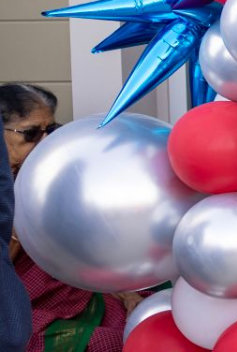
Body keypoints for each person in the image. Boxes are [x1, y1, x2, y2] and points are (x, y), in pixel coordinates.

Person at [3, 84, 145, 352]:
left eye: (52, 131)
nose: (46, 143)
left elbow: (83, 248)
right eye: (31, 134)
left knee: (145, 326)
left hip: (75, 289)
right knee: (111, 343)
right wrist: (21, 220)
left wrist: (125, 293)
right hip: (20, 310)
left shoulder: (51, 174)